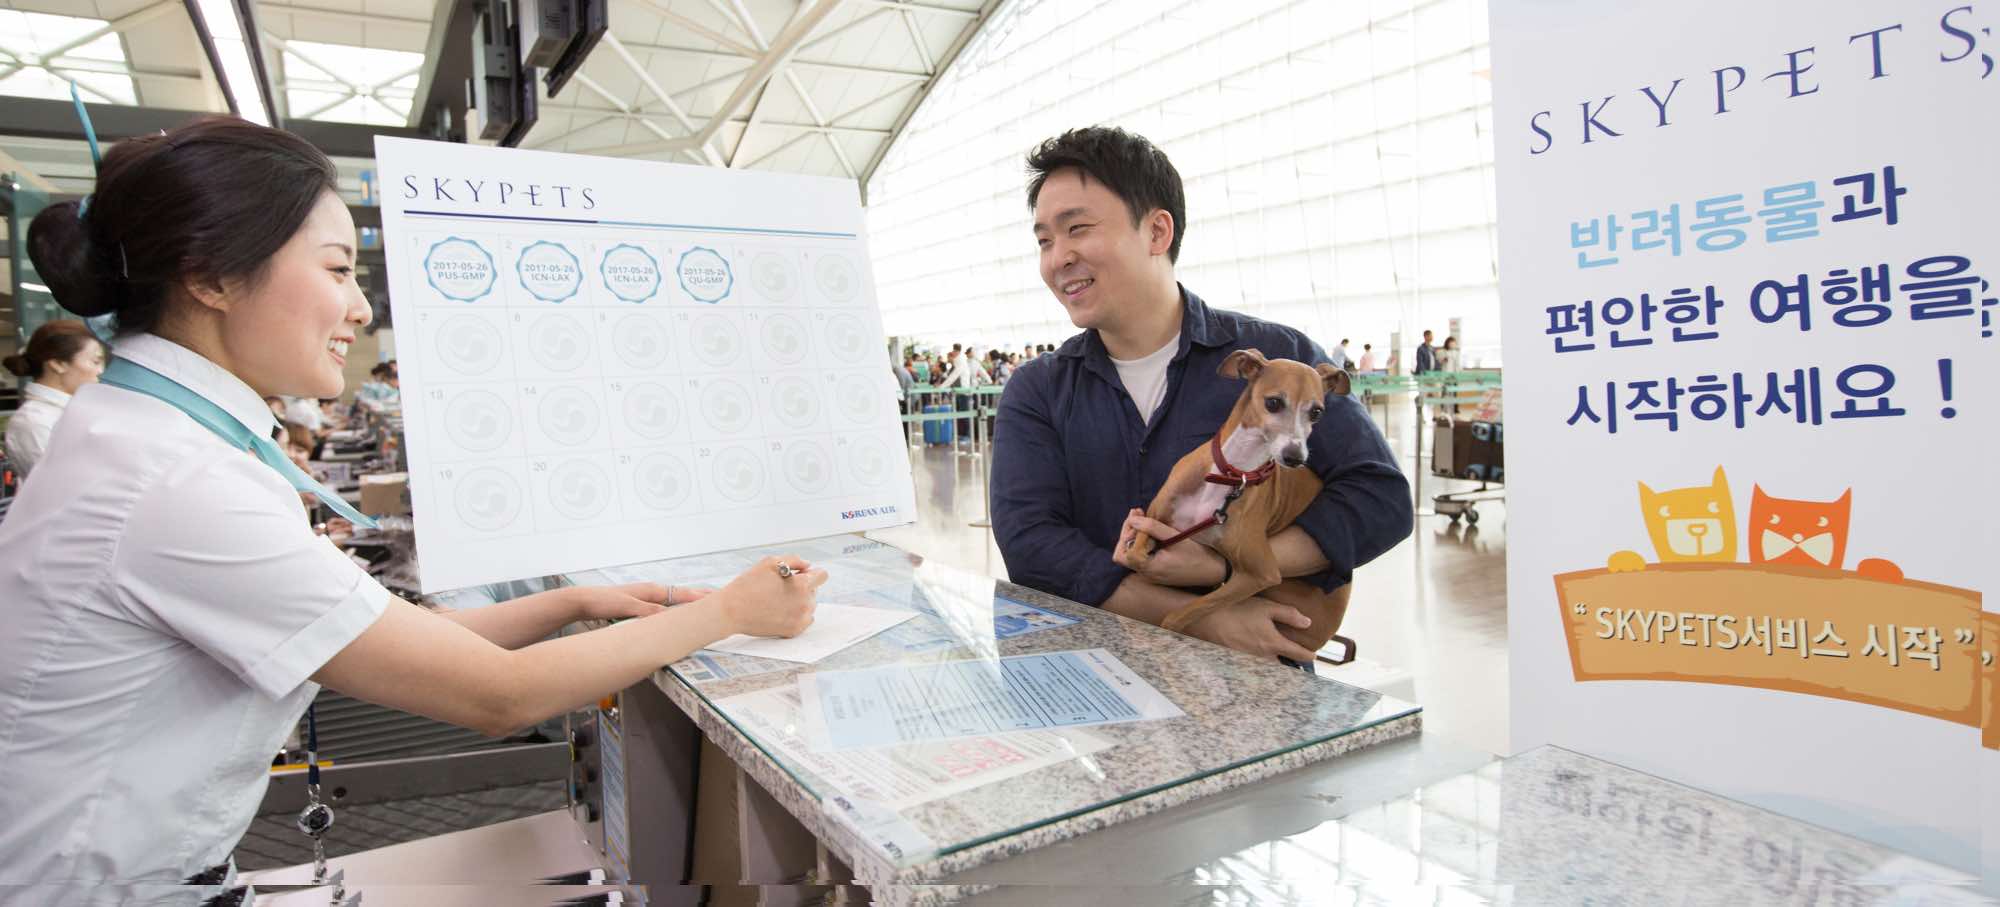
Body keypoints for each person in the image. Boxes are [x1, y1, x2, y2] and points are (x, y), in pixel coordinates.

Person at [0, 115, 828, 901]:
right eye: (335, 269)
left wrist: (577, 602)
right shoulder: (174, 481)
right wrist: (730, 610)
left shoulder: (145, 437)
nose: (360, 308)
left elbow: (389, 635)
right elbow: (496, 695)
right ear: (210, 275)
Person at [992, 126, 1411, 666]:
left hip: (1259, 689)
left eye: (1078, 229)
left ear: (1157, 231)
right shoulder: (1039, 390)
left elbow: (1381, 499)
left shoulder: (1279, 359)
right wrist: (1208, 619)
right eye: (1045, 240)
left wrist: (1229, 568)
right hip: (1098, 680)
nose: (1058, 258)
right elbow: (1034, 548)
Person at [2, 319, 107, 478]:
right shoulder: (33, 422)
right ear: (58, 364)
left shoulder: (73, 411)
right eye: (95, 361)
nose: (100, 371)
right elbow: (69, 484)